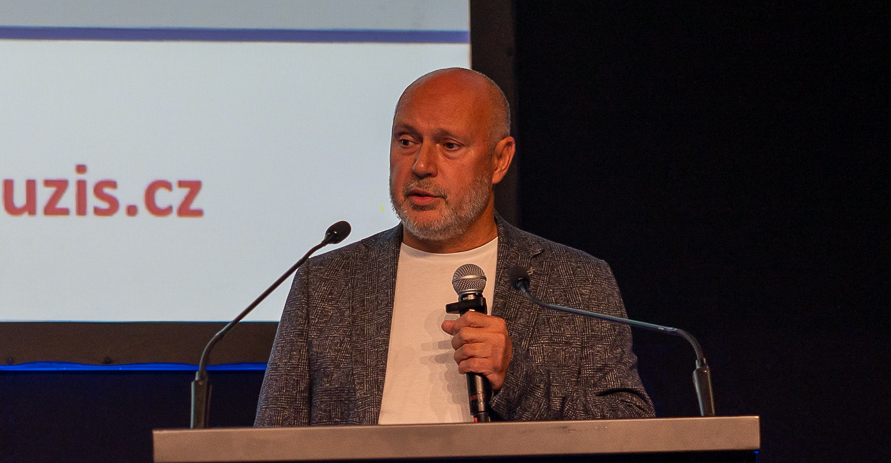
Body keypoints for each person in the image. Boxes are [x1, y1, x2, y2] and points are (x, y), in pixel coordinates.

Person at [255, 67, 653, 427]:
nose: (421, 165)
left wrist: (515, 378)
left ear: (500, 160)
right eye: (406, 141)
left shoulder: (577, 282)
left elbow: (629, 428)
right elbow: (272, 446)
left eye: (449, 145)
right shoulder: (325, 283)